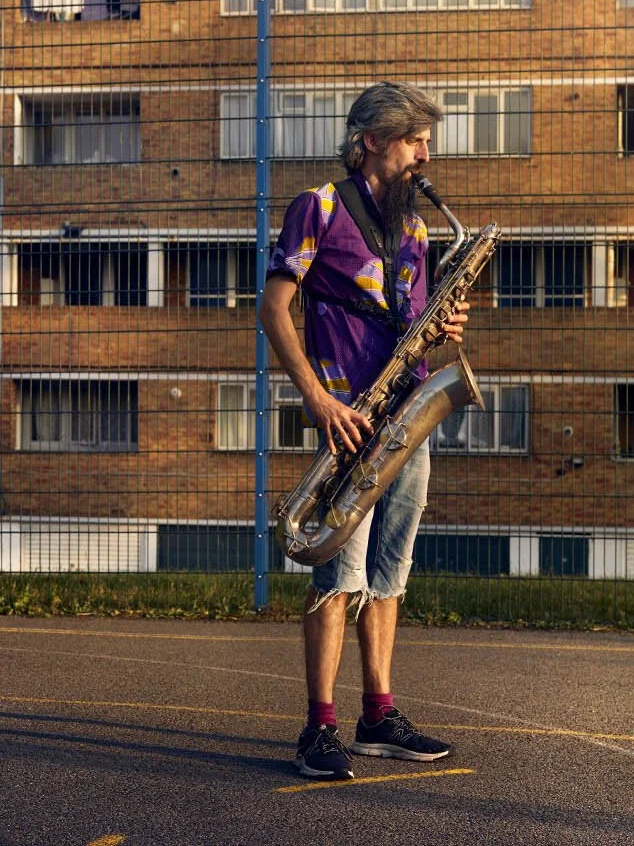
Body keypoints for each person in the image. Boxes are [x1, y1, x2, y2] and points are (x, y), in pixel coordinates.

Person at [259, 82, 470, 781]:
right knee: (338, 571)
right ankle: (318, 728)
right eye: (415, 140)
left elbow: (410, 326)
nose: (425, 155)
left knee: (389, 572)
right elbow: (274, 308)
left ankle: (377, 715)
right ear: (374, 140)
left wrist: (442, 330)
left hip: (405, 411)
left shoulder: (414, 229)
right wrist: (317, 400)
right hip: (349, 418)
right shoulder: (316, 208)